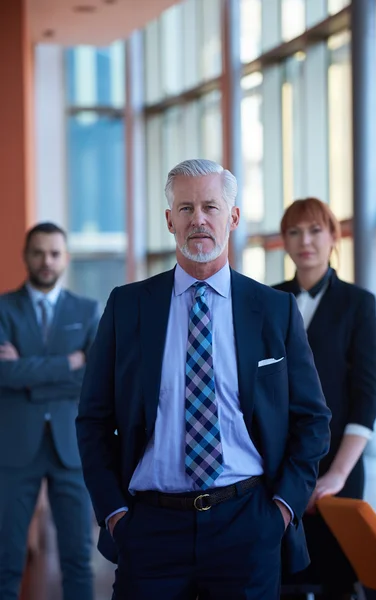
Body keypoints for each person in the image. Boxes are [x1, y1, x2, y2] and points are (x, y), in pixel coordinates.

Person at [76, 159, 331, 600]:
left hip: (247, 525)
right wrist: (115, 513)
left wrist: (282, 511)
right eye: (186, 207)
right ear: (169, 219)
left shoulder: (274, 310)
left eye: (210, 206)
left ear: (231, 217)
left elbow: (312, 418)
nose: (198, 219)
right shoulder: (127, 307)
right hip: (150, 529)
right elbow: (93, 420)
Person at [274, 198, 376, 599]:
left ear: (335, 236)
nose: (306, 241)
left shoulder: (357, 304)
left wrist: (336, 474)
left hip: (339, 468)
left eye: (316, 230)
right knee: (283, 578)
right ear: (283, 240)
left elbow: (366, 396)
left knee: (337, 578)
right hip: (279, 465)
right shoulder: (267, 300)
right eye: (294, 231)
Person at [0, 222, 99, 600]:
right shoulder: (3, 309)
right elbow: (2, 372)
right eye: (38, 252)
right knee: (6, 557)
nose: (46, 261)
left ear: (66, 258)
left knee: (77, 558)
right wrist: (70, 361)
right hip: (14, 447)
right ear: (26, 256)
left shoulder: (88, 311)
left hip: (70, 446)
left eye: (54, 253)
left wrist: (25, 370)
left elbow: (92, 378)